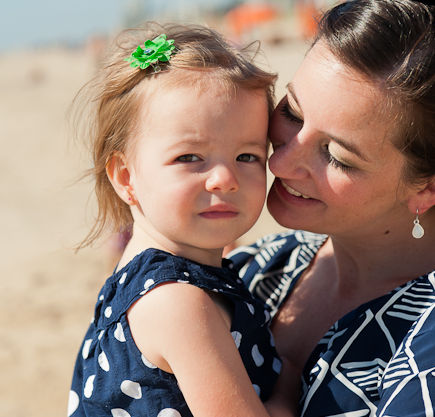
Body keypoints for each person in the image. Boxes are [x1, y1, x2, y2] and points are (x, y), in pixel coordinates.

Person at [229, 0, 435, 416]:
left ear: (431, 187)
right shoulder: (263, 266)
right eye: (292, 113)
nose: (280, 161)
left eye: (337, 156)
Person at [68, 23, 282, 417]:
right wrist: (289, 393)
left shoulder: (152, 273)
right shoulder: (177, 302)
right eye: (189, 157)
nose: (225, 178)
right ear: (126, 177)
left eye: (247, 156)